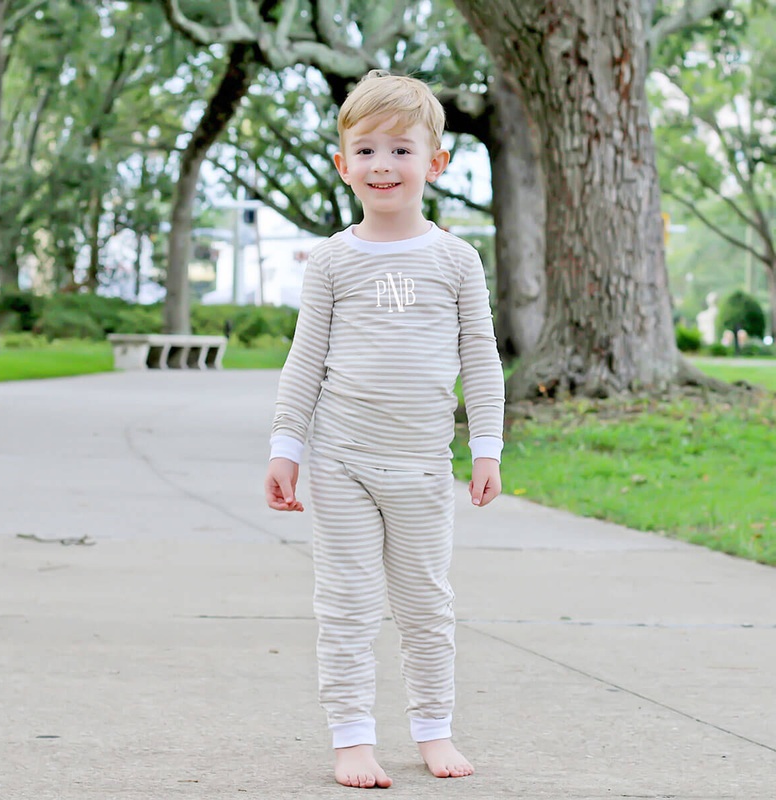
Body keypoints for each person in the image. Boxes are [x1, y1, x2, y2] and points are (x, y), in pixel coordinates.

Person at [264, 70, 505, 789]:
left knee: (427, 604)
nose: (381, 165)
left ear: (436, 164)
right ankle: (352, 739)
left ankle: (433, 727)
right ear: (344, 165)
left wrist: (486, 446)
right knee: (346, 605)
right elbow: (305, 358)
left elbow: (480, 359)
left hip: (423, 465)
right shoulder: (332, 261)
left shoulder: (456, 259)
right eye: (365, 150)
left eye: (400, 150)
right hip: (340, 461)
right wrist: (288, 446)